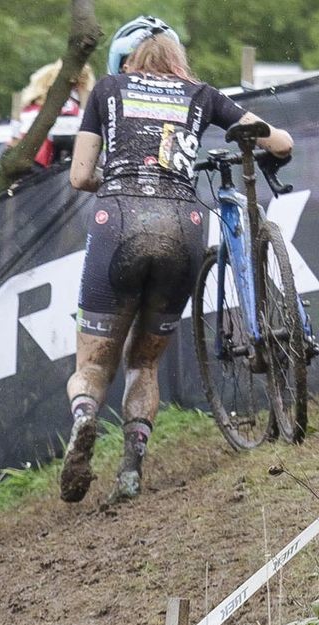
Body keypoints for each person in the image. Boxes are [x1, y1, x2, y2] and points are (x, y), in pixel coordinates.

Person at [62, 17, 293, 503]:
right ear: (178, 58)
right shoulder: (201, 93)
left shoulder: (106, 89)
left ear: (129, 59)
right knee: (144, 363)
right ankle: (130, 473)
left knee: (94, 364)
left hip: (119, 218)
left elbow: (81, 176)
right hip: (183, 224)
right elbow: (281, 143)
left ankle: (85, 416)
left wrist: (124, 172)